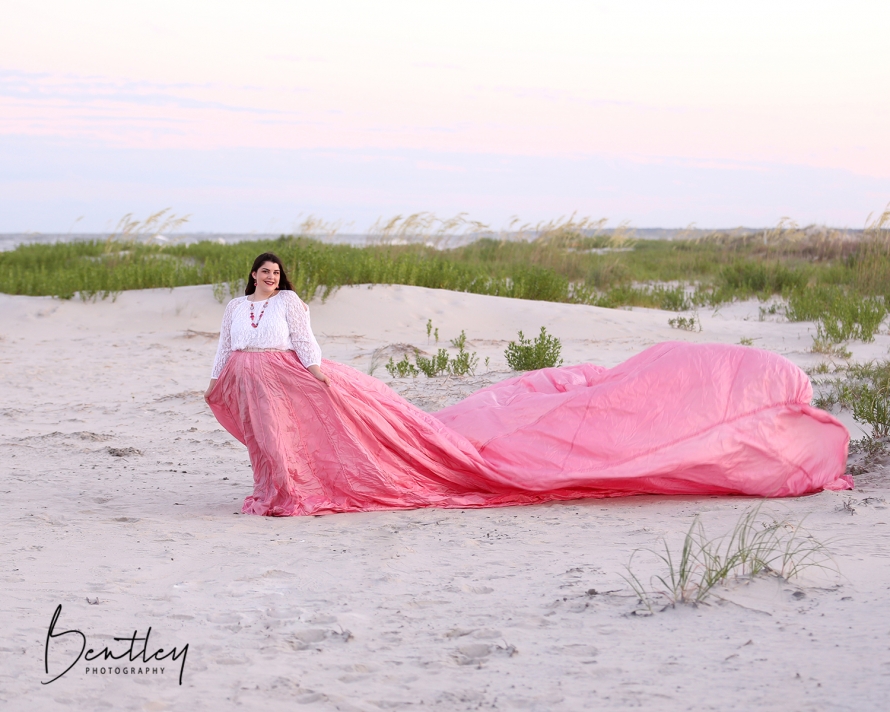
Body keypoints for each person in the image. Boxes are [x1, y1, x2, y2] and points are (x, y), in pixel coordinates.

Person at [205, 252, 852, 517]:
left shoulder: (291, 306)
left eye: (274, 271)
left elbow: (308, 344)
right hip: (249, 376)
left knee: (295, 434)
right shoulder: (238, 309)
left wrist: (324, 379)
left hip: (291, 375)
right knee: (267, 440)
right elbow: (224, 345)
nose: (267, 277)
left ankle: (290, 493)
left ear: (281, 277)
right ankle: (275, 489)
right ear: (250, 277)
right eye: (260, 271)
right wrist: (216, 380)